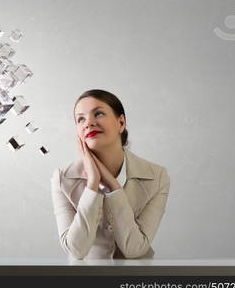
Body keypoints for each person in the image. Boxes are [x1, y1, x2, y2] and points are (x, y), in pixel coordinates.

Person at [50, 89, 171, 260]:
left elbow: (134, 250)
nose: (89, 123)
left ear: (121, 122)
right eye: (81, 119)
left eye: (98, 113)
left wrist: (113, 187)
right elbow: (76, 250)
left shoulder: (157, 177)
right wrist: (93, 183)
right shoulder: (63, 179)